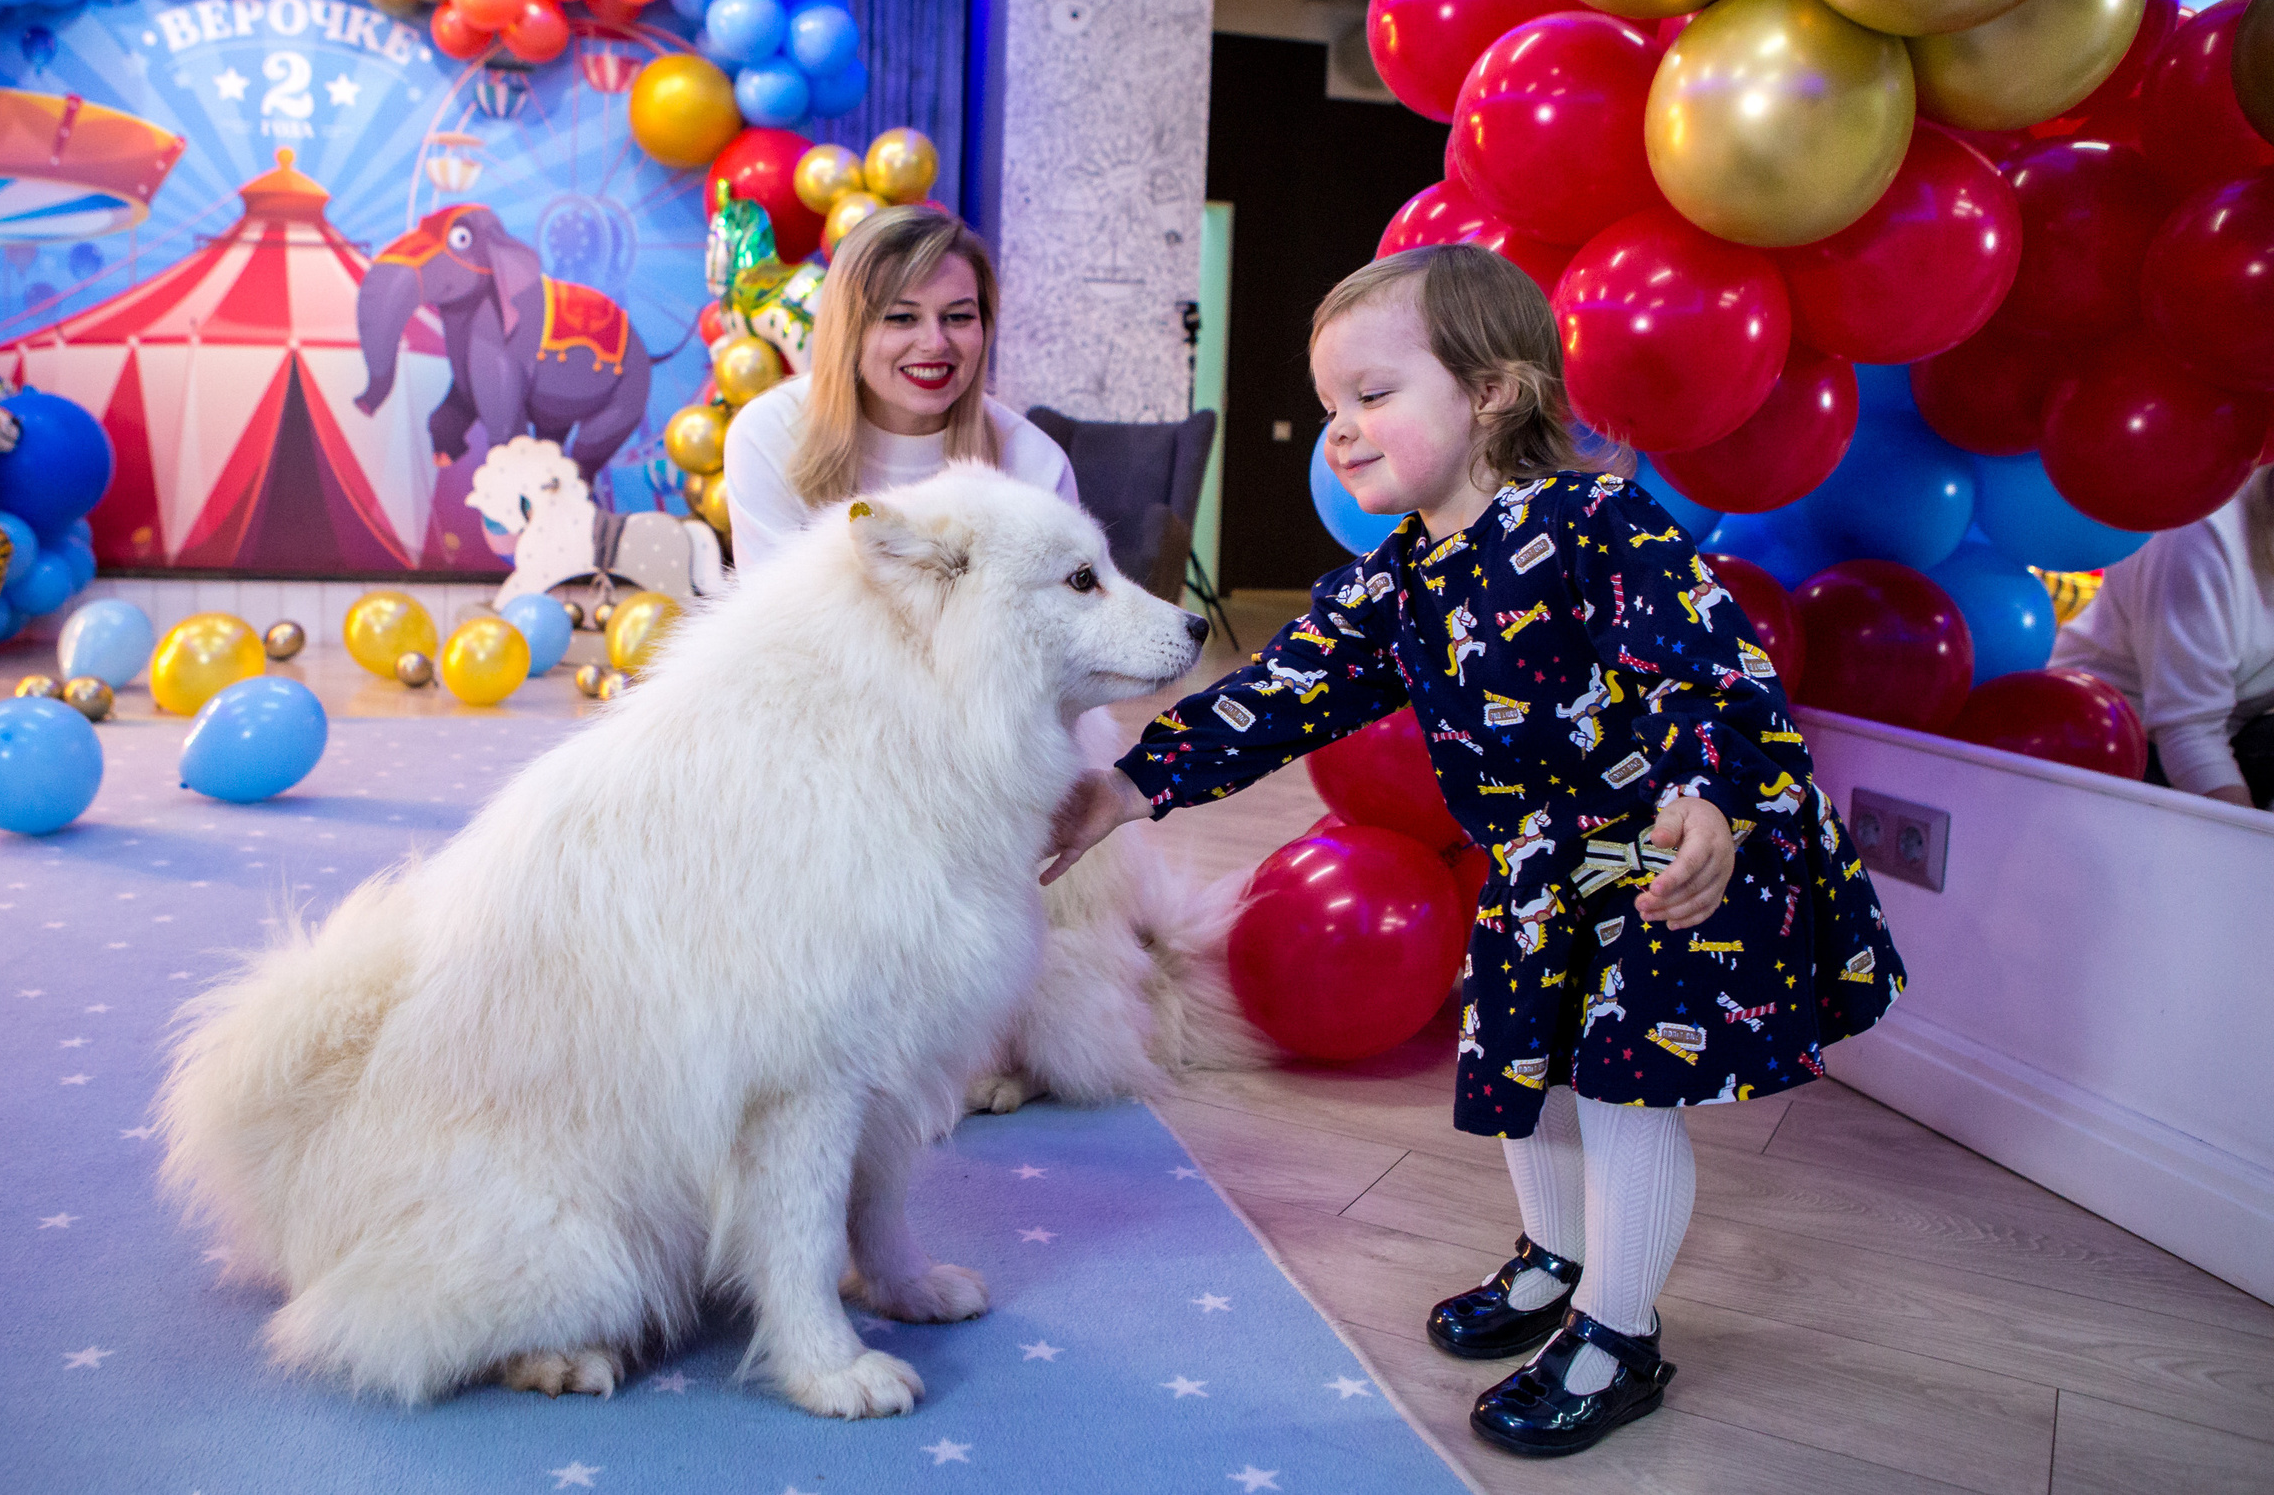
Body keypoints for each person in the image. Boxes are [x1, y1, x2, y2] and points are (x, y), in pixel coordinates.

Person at [1043, 244, 1905, 1458]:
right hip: (1547, 866)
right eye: (1332, 404)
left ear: (1493, 394)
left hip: (1655, 851)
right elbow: (1281, 690)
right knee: (1514, 1061)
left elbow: (1711, 665)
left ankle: (1618, 1334)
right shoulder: (1398, 578)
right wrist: (1123, 787)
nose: (1339, 431)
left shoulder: (1591, 518)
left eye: (1371, 396)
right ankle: (1555, 1261)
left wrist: (1708, 798)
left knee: (1618, 1088)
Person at [722, 205, 1074, 571]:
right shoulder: (769, 433)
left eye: (958, 317)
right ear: (848, 331)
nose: (935, 342)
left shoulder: (1037, 466)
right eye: (902, 317)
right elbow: (780, 623)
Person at [2050, 467, 2274, 810]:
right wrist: (2246, 849)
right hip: (2105, 736)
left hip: (2224, 733)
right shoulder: (2203, 533)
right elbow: (2188, 733)